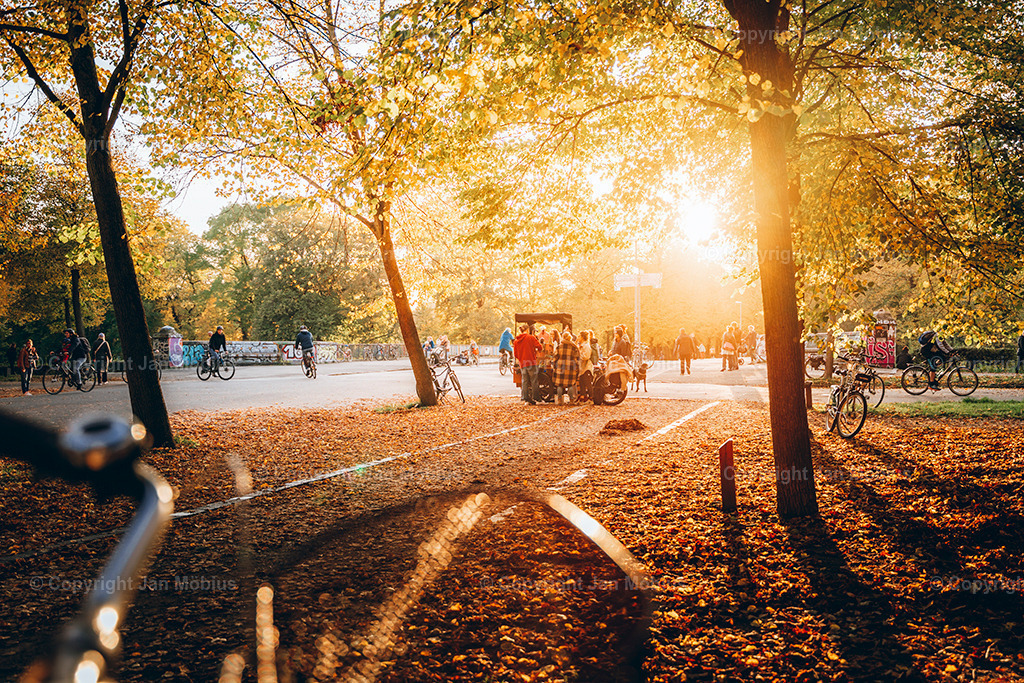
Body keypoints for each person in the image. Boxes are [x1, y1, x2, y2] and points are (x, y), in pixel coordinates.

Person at [513, 324, 541, 404]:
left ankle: (525, 397)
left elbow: (515, 354)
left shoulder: (516, 340)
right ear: (527, 330)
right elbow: (539, 346)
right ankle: (536, 398)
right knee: (534, 381)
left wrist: (521, 358)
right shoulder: (531, 337)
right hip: (531, 362)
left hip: (523, 363)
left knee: (524, 381)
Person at [552, 331, 580, 405]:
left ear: (563, 337)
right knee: (570, 384)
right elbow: (577, 358)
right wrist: (577, 367)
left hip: (560, 367)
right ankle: (571, 400)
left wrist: (554, 365)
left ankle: (560, 400)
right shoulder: (574, 347)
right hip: (571, 367)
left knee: (559, 384)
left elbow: (555, 357)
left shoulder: (559, 347)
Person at [578, 330, 594, 400]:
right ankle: (583, 397)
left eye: (579, 336)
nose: (578, 337)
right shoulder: (581, 345)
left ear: (582, 337)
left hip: (586, 367)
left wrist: (579, 355)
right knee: (582, 383)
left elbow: (586, 357)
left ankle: (592, 397)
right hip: (582, 367)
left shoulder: (586, 346)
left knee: (587, 383)